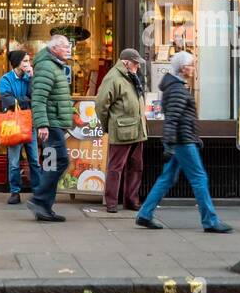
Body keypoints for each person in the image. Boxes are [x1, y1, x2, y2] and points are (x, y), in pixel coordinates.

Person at [136, 50, 232, 234]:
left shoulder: (174, 87)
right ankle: (210, 221)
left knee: (167, 178)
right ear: (182, 68)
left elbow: (178, 119)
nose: (193, 68)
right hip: (182, 142)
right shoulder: (177, 90)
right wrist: (171, 146)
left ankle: (145, 214)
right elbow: (172, 120)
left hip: (181, 141)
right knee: (199, 178)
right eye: (191, 65)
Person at [94, 48, 147, 213]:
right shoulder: (113, 77)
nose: (138, 66)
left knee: (136, 166)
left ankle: (131, 200)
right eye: (135, 63)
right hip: (122, 129)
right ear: (126, 63)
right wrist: (108, 125)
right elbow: (101, 105)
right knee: (116, 168)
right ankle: (111, 202)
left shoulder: (131, 76)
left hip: (137, 128)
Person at [29, 33, 75, 222]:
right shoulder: (48, 66)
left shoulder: (54, 65)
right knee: (59, 161)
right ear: (54, 48)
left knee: (52, 164)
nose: (69, 49)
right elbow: (39, 98)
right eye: (65, 46)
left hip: (54, 122)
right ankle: (39, 200)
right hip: (51, 124)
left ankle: (44, 207)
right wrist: (42, 124)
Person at [0, 47, 39, 205]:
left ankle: (37, 191)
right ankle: (15, 192)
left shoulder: (30, 78)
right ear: (16, 64)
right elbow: (7, 100)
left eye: (29, 61)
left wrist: (32, 79)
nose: (29, 64)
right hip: (13, 124)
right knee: (14, 161)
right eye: (25, 61)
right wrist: (24, 100)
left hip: (30, 124)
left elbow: (35, 96)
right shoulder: (5, 80)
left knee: (34, 159)